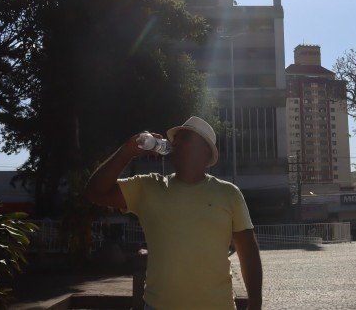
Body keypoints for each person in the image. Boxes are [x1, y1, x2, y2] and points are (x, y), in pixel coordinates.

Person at [85, 116, 262, 310]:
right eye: (175, 138)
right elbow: (95, 192)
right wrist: (127, 151)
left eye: (184, 137)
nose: (175, 142)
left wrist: (255, 302)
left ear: (204, 151)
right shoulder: (149, 187)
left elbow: (248, 252)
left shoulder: (229, 193)